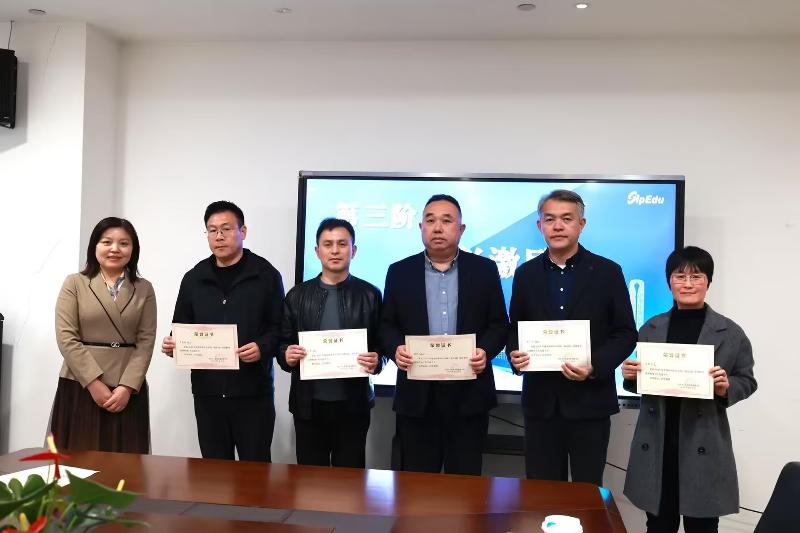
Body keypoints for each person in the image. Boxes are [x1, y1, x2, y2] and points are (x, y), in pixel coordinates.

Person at [506, 189, 637, 486]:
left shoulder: (607, 272)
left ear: (581, 224)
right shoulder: (525, 274)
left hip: (590, 402)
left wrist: (594, 365)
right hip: (541, 404)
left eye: (567, 219)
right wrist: (515, 354)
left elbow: (626, 332)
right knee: (542, 492)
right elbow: (515, 327)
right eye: (549, 219)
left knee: (587, 492)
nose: (558, 226)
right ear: (539, 225)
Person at [622, 246, 757, 533]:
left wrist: (726, 386)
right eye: (679, 276)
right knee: (658, 525)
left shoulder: (730, 332)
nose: (687, 283)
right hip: (658, 441)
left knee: (703, 526)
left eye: (696, 276)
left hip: (702, 439)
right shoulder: (651, 328)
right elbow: (645, 377)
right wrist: (631, 376)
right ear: (669, 282)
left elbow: (747, 379)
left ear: (708, 282)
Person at [379, 194, 509, 475]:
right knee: (417, 484)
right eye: (430, 220)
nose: (437, 227)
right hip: (417, 397)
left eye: (447, 220)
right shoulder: (399, 272)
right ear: (421, 228)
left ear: (461, 229)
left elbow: (499, 323)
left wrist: (485, 351)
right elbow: (386, 324)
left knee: (465, 484)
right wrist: (395, 348)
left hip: (469, 396)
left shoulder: (484, 270)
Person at [161, 201, 284, 461]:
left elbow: (279, 328)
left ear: (243, 231)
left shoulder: (265, 275)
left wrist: (262, 347)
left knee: (255, 471)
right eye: (212, 230)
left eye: (226, 229)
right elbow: (181, 326)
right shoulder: (194, 278)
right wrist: (173, 345)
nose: (219, 236)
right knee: (214, 472)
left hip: (253, 393)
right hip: (208, 395)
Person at [278, 218, 383, 468]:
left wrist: (378, 359)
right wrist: (286, 354)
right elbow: (282, 342)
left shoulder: (370, 295)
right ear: (317, 251)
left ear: (353, 250)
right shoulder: (297, 295)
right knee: (310, 480)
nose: (335, 250)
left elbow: (383, 344)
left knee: (350, 480)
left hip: (353, 406)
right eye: (328, 244)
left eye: (342, 244)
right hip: (308, 407)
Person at [51, 217, 156, 453]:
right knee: (79, 460)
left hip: (127, 388)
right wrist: (93, 382)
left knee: (125, 462)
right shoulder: (75, 283)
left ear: (133, 249)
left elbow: (146, 341)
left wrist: (127, 387)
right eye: (107, 242)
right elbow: (66, 337)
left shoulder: (144, 288)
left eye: (124, 243)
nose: (115, 249)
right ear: (94, 246)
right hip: (80, 384)